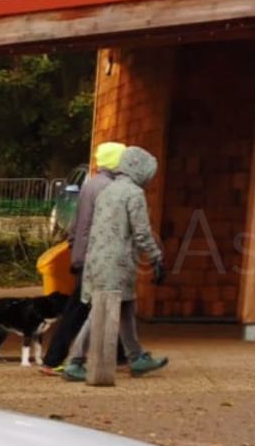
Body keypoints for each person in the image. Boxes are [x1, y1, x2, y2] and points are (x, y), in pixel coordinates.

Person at [61, 145, 168, 381]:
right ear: (140, 170)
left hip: (97, 260)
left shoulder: (107, 191)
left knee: (126, 309)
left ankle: (136, 356)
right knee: (100, 311)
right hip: (117, 264)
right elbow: (141, 232)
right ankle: (75, 361)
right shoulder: (133, 194)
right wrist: (156, 257)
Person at [41, 141, 125, 371]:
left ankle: (122, 355)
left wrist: (75, 248)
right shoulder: (110, 188)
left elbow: (78, 223)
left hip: (85, 255)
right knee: (82, 308)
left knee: (96, 306)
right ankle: (53, 359)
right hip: (97, 257)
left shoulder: (91, 184)